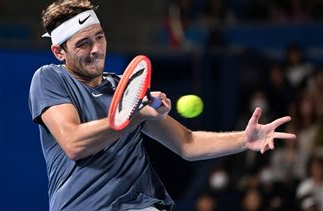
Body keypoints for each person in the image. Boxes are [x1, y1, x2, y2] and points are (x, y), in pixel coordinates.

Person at [28, 0, 296, 210]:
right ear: (59, 51)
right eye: (83, 44)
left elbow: (187, 144)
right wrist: (134, 115)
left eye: (99, 37)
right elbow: (74, 143)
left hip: (141, 204)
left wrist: (244, 140)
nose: (96, 49)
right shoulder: (50, 78)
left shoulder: (125, 87)